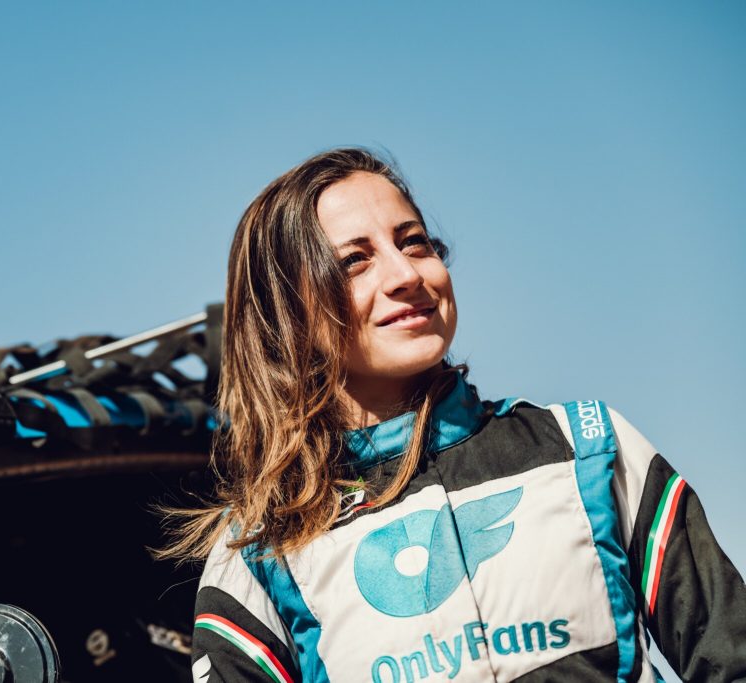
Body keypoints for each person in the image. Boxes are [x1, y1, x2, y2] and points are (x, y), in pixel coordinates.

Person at [161, 148, 746, 682]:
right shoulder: (261, 550)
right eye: (355, 261)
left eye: (414, 243)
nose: (407, 275)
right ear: (286, 311)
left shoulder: (588, 447)